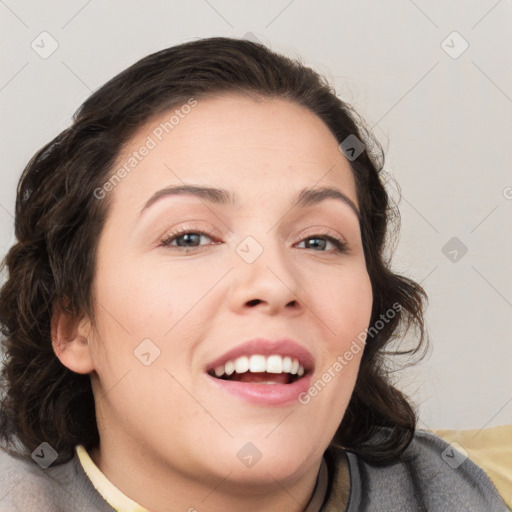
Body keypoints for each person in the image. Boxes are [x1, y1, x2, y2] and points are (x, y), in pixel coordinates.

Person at [0, 36, 507, 512]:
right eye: (189, 237)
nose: (274, 284)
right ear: (72, 324)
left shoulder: (455, 493)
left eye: (319, 241)